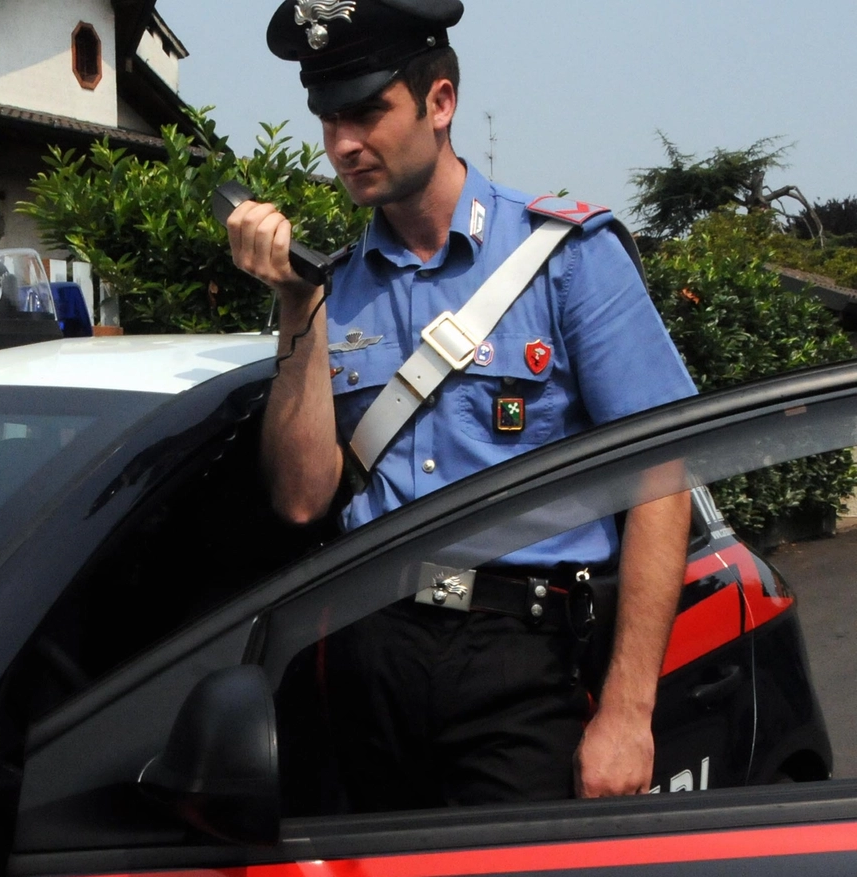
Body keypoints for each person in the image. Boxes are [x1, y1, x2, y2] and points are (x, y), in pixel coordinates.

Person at [228, 0, 697, 808]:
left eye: (368, 111)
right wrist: (294, 304)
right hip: (365, 653)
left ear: (440, 102)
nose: (342, 143)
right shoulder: (330, 287)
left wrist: (628, 709)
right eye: (328, 117)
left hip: (521, 656)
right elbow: (304, 498)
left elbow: (661, 474)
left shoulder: (567, 259)